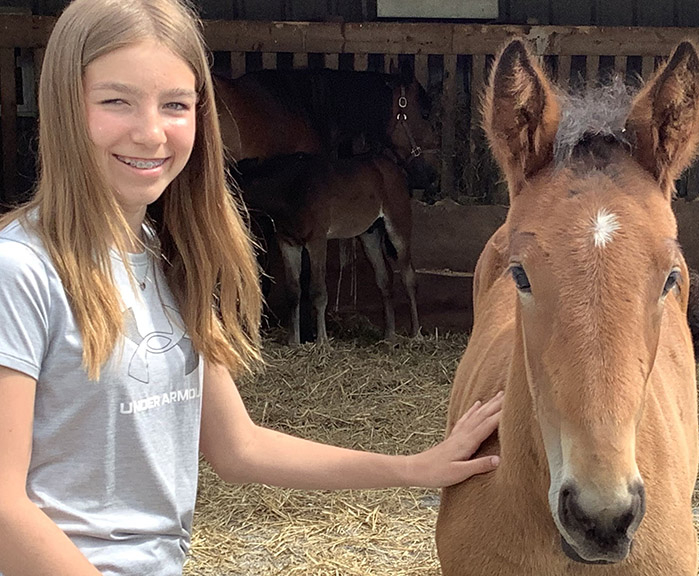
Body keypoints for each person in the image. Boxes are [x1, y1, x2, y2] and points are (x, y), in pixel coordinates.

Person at [0, 1, 502, 575]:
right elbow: (3, 507)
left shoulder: (171, 262)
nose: (150, 131)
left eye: (175, 105)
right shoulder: (21, 271)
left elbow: (239, 449)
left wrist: (416, 467)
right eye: (116, 101)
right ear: (66, 107)